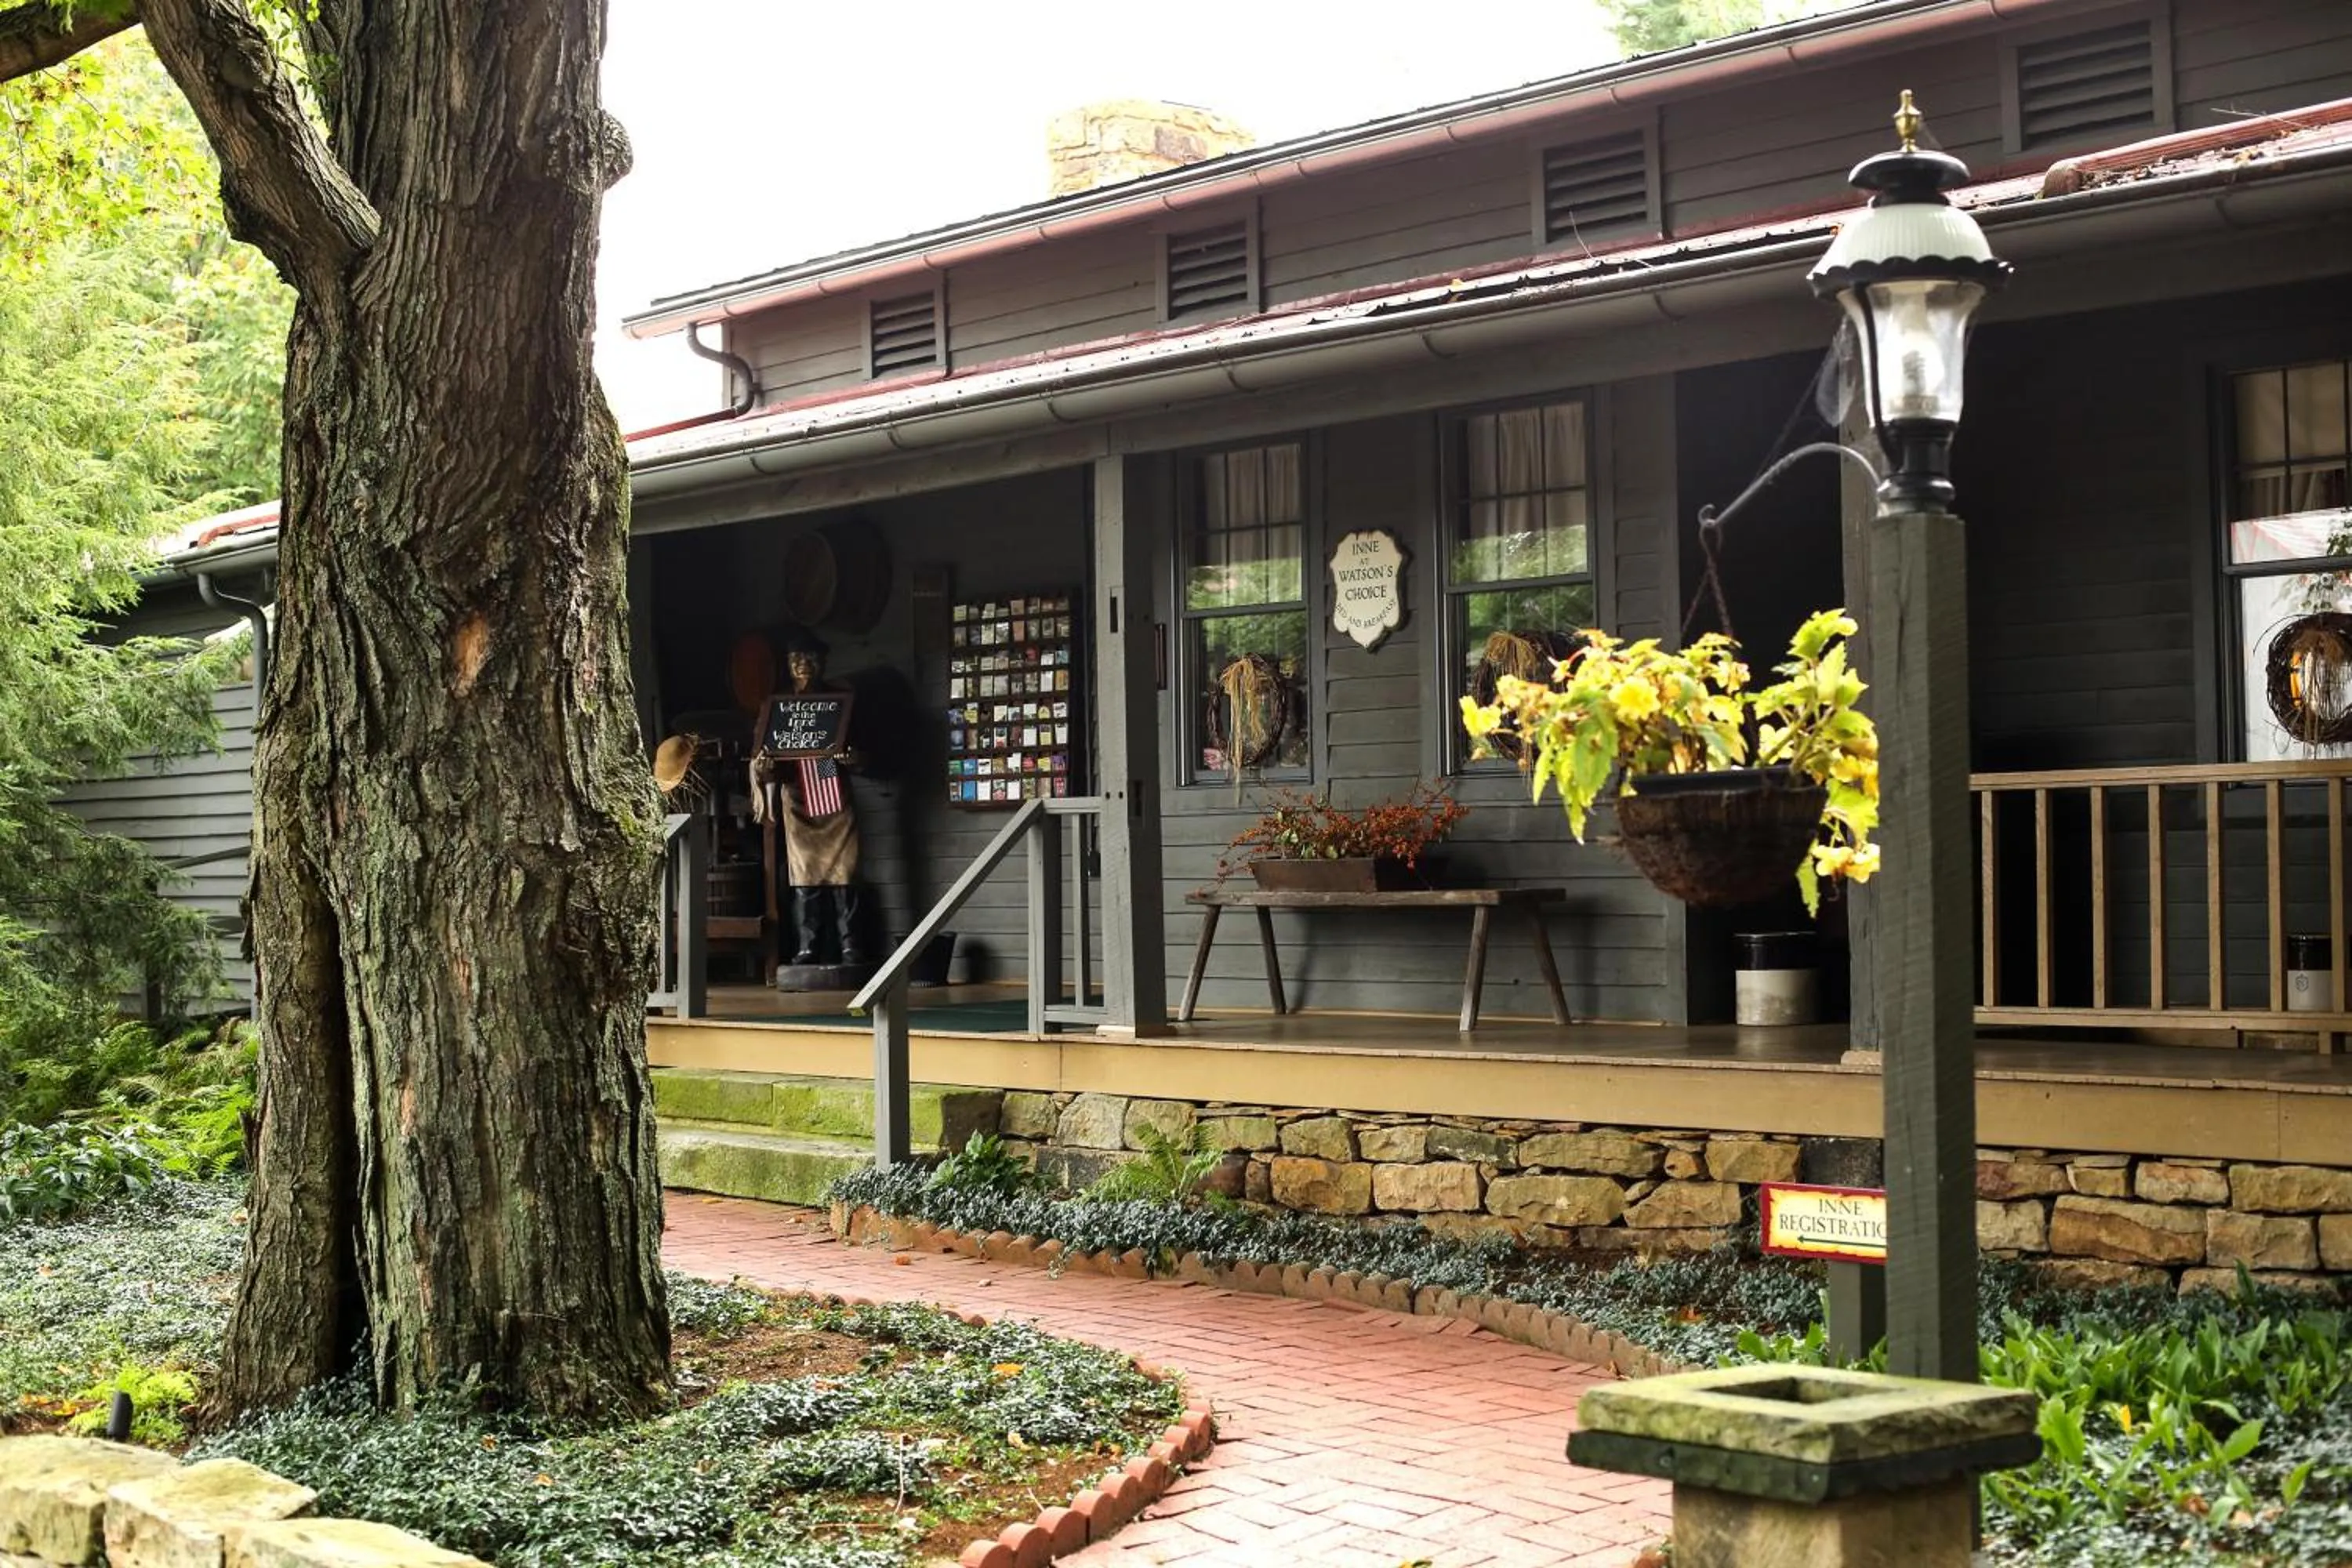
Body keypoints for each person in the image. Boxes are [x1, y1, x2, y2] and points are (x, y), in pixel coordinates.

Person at [750, 630, 866, 968]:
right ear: (787, 665)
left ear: (824, 662)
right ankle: (808, 946)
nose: (803, 665)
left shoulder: (840, 700)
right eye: (796, 659)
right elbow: (763, 758)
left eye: (811, 657)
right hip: (797, 789)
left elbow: (862, 750)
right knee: (804, 873)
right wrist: (766, 768)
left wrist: (853, 758)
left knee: (846, 870)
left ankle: (850, 945)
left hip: (830, 778)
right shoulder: (778, 705)